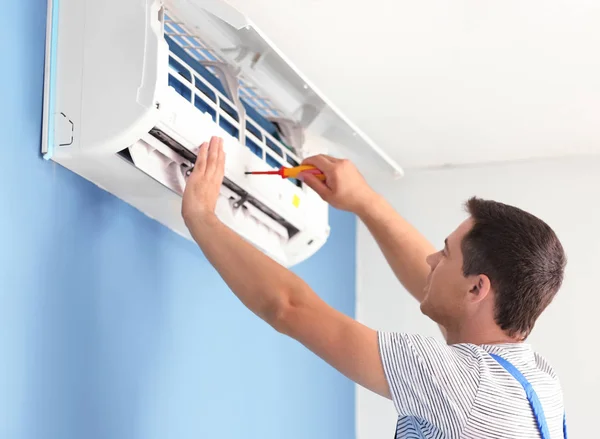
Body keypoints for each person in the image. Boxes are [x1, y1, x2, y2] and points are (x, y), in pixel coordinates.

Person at [182, 137, 568, 439]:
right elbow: (434, 284)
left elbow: (289, 308)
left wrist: (202, 218)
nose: (432, 260)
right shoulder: (537, 382)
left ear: (477, 289)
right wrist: (363, 201)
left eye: (445, 254)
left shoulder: (464, 384)